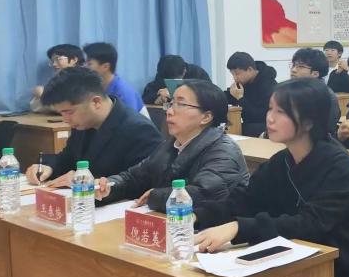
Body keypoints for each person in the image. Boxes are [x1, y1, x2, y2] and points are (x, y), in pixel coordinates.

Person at [195, 79, 349, 277]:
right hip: (288, 270)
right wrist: (196, 215)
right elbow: (244, 200)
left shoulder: (340, 167)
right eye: (270, 109)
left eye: (281, 112)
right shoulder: (282, 162)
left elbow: (310, 225)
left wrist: (239, 227)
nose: (270, 118)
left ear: (309, 121)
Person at [95, 80, 248, 219]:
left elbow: (203, 195)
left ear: (206, 117)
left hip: (210, 230)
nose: (169, 111)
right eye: (171, 103)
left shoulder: (224, 151)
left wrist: (156, 196)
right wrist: (109, 186)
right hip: (172, 223)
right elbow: (134, 177)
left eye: (180, 104)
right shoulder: (170, 145)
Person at [25, 67, 162, 187]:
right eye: (62, 113)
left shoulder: (140, 130)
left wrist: (86, 181)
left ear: (96, 102)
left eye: (69, 112)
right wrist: (48, 167)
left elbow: (141, 183)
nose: (65, 120)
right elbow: (67, 158)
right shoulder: (82, 124)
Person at [225, 51, 278, 137]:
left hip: (265, 126)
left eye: (237, 74)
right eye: (232, 74)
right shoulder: (243, 83)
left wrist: (240, 98)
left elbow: (259, 116)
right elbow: (227, 96)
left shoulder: (269, 85)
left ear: (249, 69)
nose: (235, 78)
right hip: (249, 126)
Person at [83, 42, 144, 113]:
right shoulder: (95, 87)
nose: (84, 66)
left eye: (89, 64)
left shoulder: (124, 92)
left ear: (105, 66)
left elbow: (131, 119)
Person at [30, 44, 84, 113]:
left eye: (58, 59)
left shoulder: (84, 79)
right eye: (52, 61)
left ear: (74, 60)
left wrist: (43, 95)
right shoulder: (57, 79)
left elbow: (73, 107)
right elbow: (35, 107)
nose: (54, 64)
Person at [142, 54, 211, 106]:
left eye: (176, 80)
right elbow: (147, 96)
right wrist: (156, 99)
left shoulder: (197, 73)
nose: (172, 82)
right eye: (169, 80)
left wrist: (175, 93)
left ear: (184, 71)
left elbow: (210, 95)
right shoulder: (163, 73)